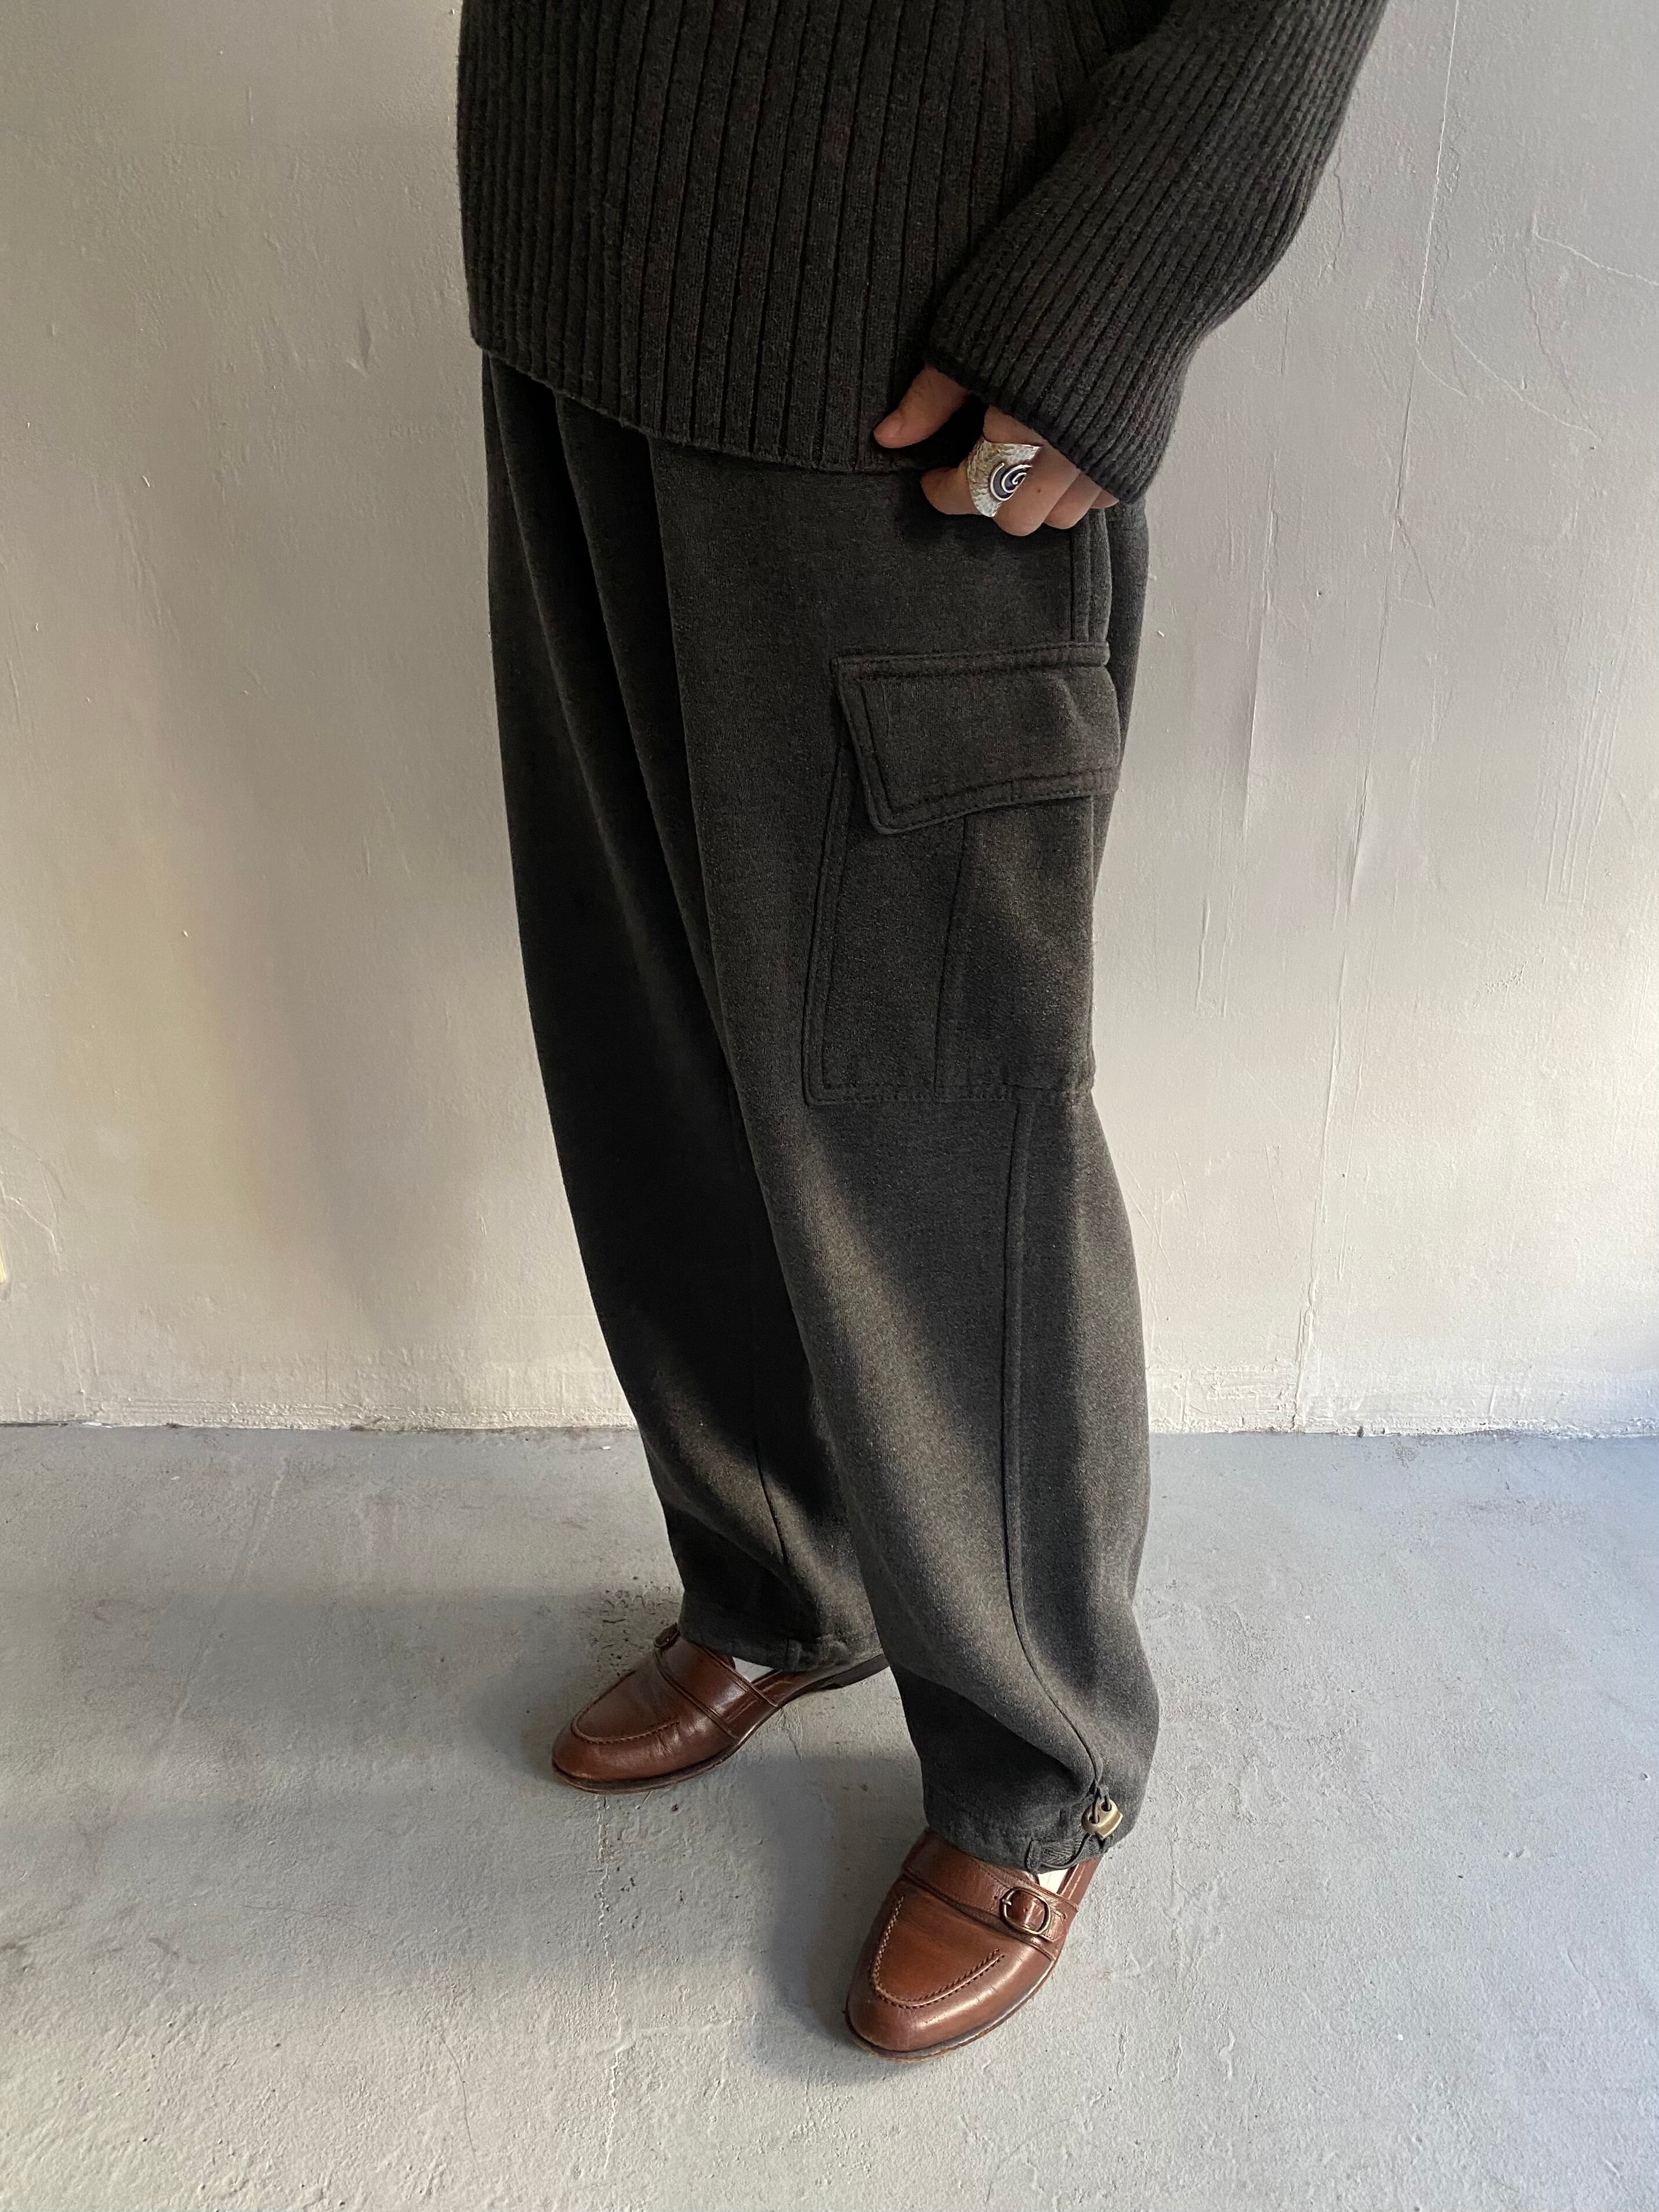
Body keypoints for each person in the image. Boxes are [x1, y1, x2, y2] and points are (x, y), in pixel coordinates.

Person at [456, 0, 1387, 2060]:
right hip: (573, 257)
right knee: (646, 1037)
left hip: (915, 331)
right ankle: (781, 1581)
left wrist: (1111, 288)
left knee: (934, 1107)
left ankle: (1034, 1761)